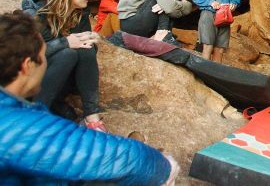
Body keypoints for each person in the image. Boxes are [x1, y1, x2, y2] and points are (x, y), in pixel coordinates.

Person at [0, 11, 179, 185]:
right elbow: (126, 159)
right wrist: (164, 167)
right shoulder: (16, 124)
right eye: (43, 55)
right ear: (27, 66)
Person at [32, 0, 106, 131]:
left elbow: (87, 55)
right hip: (38, 83)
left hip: (66, 84)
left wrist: (90, 41)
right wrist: (65, 42)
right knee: (68, 53)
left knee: (85, 49)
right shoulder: (37, 16)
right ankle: (36, 114)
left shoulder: (80, 16)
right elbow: (29, 56)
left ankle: (92, 116)